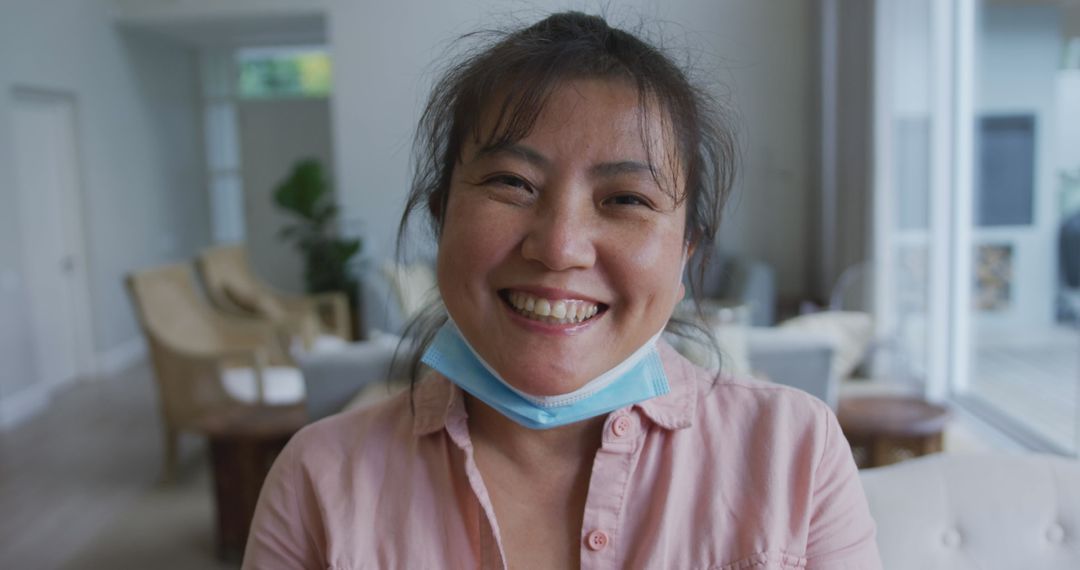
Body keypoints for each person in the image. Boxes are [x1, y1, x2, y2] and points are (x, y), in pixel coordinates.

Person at [243, 12, 882, 569]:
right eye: (512, 183)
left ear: (685, 252)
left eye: (626, 198)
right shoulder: (318, 480)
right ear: (442, 218)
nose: (559, 246)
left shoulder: (795, 454)